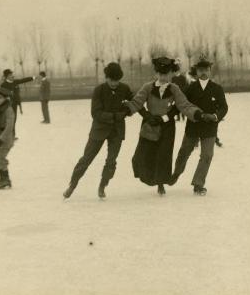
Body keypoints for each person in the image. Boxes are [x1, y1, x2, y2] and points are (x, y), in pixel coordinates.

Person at [123, 56, 213, 196]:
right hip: (149, 126)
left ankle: (160, 184)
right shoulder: (148, 87)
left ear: (171, 74)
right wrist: (127, 110)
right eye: (160, 74)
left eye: (166, 74)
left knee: (163, 156)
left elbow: (184, 105)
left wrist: (197, 114)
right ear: (156, 74)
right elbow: (137, 102)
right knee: (140, 157)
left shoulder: (174, 88)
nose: (163, 77)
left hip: (167, 128)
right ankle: (149, 179)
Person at [63, 62, 133, 200]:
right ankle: (72, 184)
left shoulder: (124, 89)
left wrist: (126, 111)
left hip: (117, 132)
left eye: (117, 80)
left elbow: (134, 103)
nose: (114, 83)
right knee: (86, 159)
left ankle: (102, 185)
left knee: (111, 161)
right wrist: (115, 116)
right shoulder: (99, 90)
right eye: (111, 80)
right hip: (99, 130)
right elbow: (95, 113)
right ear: (106, 78)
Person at [169, 58, 229, 195]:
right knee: (184, 152)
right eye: (201, 70)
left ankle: (198, 183)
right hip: (193, 127)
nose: (203, 73)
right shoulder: (190, 88)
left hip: (210, 128)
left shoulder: (217, 89)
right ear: (196, 72)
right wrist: (166, 116)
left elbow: (224, 107)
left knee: (207, 155)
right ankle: (176, 173)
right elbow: (181, 104)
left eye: (206, 70)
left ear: (210, 71)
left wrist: (215, 116)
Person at [187, 66, 223, 148]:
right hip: (197, 111)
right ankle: (196, 141)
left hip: (209, 112)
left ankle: (215, 140)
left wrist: (217, 114)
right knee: (196, 125)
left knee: (211, 126)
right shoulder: (192, 85)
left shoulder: (210, 85)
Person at [0, 69, 36, 138]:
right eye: (10, 75)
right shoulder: (3, 85)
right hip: (7, 105)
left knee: (14, 119)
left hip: (15, 104)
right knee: (8, 120)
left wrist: (32, 78)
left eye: (12, 74)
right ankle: (7, 135)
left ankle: (12, 135)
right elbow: (2, 95)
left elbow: (23, 80)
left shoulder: (15, 82)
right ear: (7, 76)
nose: (12, 76)